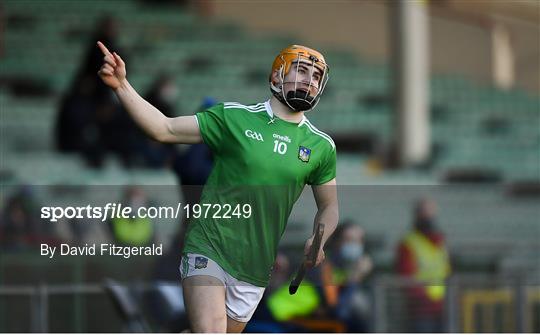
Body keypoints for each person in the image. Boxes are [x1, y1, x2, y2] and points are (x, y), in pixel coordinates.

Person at [97, 41, 339, 332]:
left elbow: (329, 206)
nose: (309, 81)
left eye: (315, 77)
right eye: (301, 70)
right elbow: (164, 128)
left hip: (255, 266)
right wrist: (122, 86)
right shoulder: (234, 117)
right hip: (209, 245)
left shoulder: (321, 147)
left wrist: (319, 239)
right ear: (276, 76)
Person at [396, 198, 451, 333]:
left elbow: (447, 272)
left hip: (443, 308)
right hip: (420, 311)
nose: (429, 217)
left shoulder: (440, 242)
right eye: (425, 213)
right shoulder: (408, 243)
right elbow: (406, 279)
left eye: (432, 213)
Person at [320, 221, 373, 332]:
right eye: (348, 240)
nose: (354, 245)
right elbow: (339, 313)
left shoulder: (367, 272)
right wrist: (356, 277)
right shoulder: (325, 269)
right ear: (336, 242)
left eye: (358, 241)